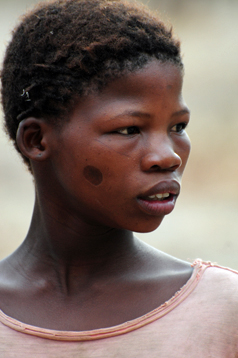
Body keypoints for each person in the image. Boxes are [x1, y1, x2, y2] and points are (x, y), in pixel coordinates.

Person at [0, 0, 238, 356]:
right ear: (36, 140)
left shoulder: (223, 311)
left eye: (178, 126)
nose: (168, 155)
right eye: (129, 129)